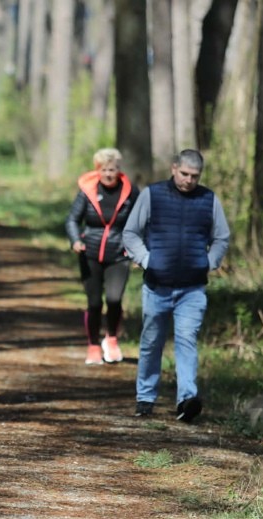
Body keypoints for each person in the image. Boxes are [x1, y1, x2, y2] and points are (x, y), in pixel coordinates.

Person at [121, 149, 231, 422]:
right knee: (151, 342)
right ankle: (145, 398)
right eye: (184, 174)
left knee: (186, 340)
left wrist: (209, 262)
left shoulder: (209, 199)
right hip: (157, 285)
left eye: (195, 176)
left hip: (192, 288)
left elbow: (222, 237)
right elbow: (131, 232)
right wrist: (147, 260)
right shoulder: (152, 194)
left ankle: (186, 401)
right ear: (173, 169)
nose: (189, 180)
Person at [65, 148, 139, 365]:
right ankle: (93, 345)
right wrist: (75, 240)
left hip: (119, 253)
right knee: (95, 303)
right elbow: (71, 219)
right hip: (90, 253)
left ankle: (112, 339)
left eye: (113, 169)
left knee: (115, 299)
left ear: (119, 170)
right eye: (105, 170)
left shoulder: (130, 192)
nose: (109, 174)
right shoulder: (87, 191)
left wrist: (138, 251)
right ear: (98, 170)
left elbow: (142, 222)